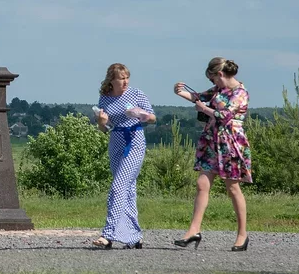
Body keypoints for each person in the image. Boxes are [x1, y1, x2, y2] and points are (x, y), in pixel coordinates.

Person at [173, 57, 252, 252]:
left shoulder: (240, 93)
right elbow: (200, 97)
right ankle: (193, 230)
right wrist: (180, 92)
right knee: (202, 184)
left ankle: (242, 235)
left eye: (213, 80)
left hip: (230, 141)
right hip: (212, 139)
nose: (213, 84)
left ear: (220, 74)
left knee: (232, 188)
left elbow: (225, 116)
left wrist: (205, 109)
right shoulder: (219, 90)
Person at [92, 63, 156, 250]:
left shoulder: (136, 94)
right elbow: (105, 128)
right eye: (121, 78)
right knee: (127, 189)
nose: (125, 81)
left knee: (118, 186)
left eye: (127, 77)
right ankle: (134, 237)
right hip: (116, 141)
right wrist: (101, 123)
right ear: (112, 80)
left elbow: (153, 118)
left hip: (135, 140)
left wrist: (141, 114)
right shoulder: (104, 98)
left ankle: (108, 234)